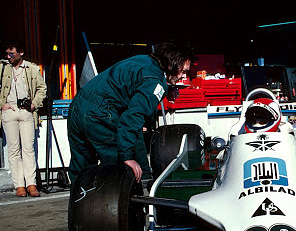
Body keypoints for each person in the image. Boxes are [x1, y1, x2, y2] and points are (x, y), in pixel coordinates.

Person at [67, 41, 195, 185]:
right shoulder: (155, 82)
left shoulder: (144, 60)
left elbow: (135, 84)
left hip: (78, 105)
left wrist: (167, 88)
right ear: (172, 64)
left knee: (82, 171)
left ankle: (79, 202)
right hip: (99, 113)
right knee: (119, 172)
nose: (183, 77)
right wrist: (127, 157)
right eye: (183, 71)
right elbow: (132, 118)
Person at [0, 40, 47, 197]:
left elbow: (42, 89)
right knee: (13, 150)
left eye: (11, 53)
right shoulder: (2, 68)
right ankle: (19, 185)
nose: (9, 56)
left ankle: (31, 184)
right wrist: (2, 104)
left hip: (27, 112)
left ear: (20, 53)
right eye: (7, 53)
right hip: (9, 111)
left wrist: (34, 105)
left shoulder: (32, 69)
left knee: (28, 149)